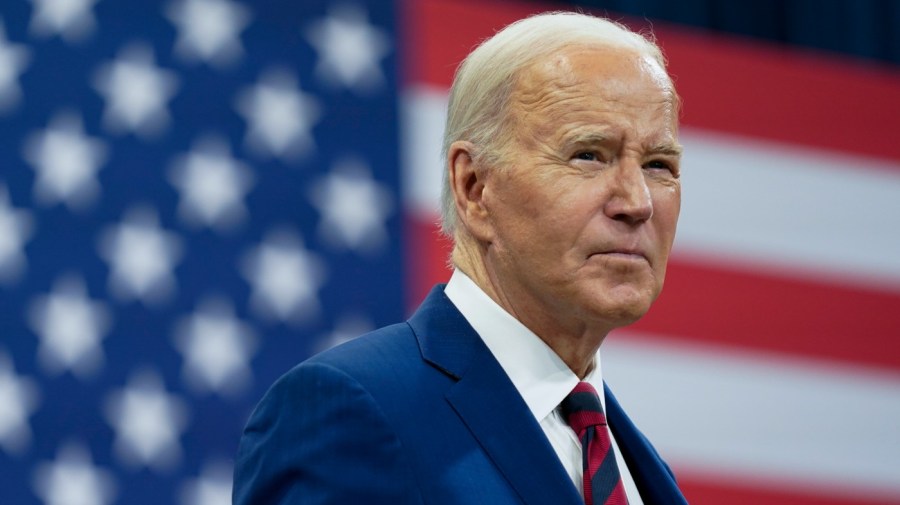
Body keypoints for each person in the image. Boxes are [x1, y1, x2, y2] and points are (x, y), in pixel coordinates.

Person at [234, 11, 688, 505]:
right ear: (474, 188)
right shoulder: (350, 413)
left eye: (658, 164)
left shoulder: (635, 464)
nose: (638, 202)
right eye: (588, 155)